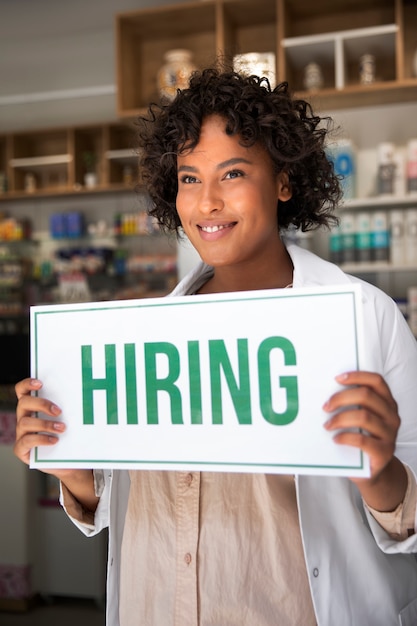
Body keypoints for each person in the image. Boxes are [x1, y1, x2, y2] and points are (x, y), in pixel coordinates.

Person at [14, 68, 417, 626]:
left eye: (232, 172)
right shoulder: (144, 335)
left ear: (283, 180)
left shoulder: (364, 318)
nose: (207, 202)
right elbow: (118, 503)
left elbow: (411, 521)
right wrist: (70, 464)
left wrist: (378, 474)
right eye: (188, 178)